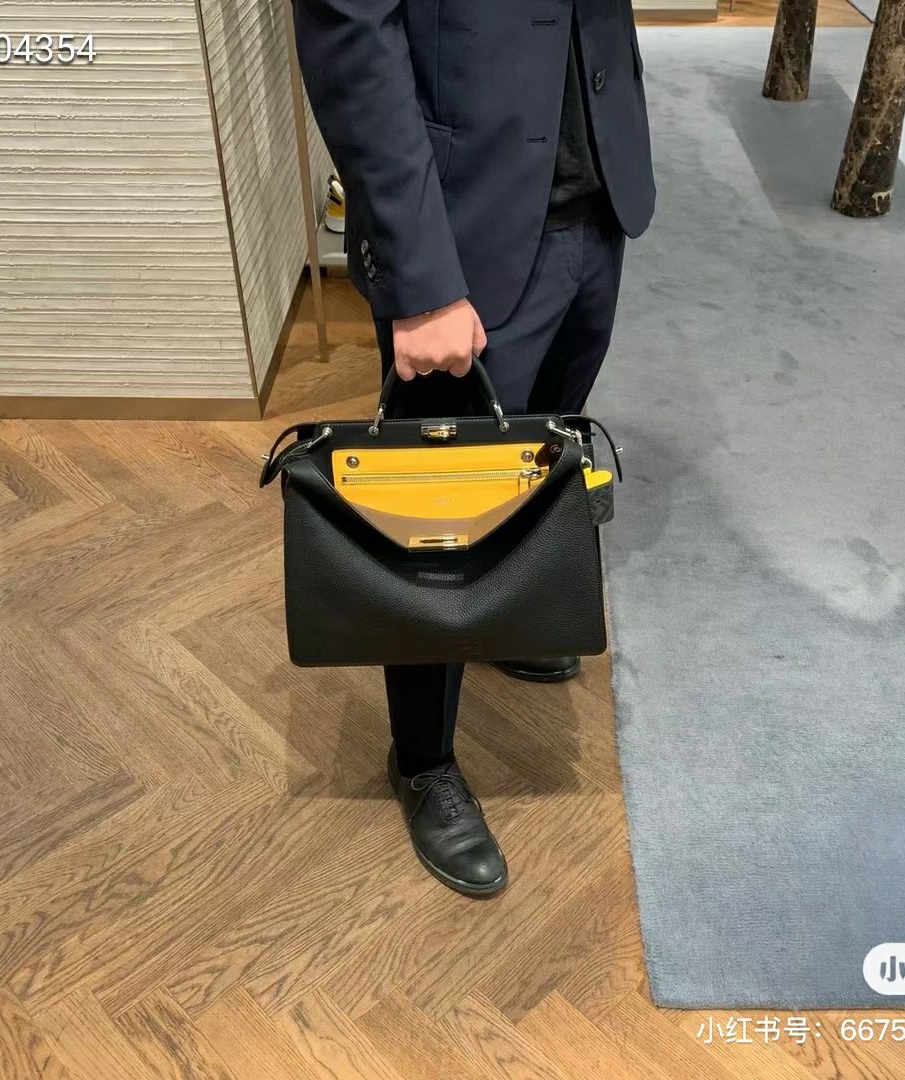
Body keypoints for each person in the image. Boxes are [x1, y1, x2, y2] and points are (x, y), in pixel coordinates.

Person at [291, 0, 655, 897]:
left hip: (593, 190)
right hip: (459, 226)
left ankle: (498, 621)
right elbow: (349, 30)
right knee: (433, 519)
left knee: (537, 466)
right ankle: (421, 759)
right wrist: (419, 281)